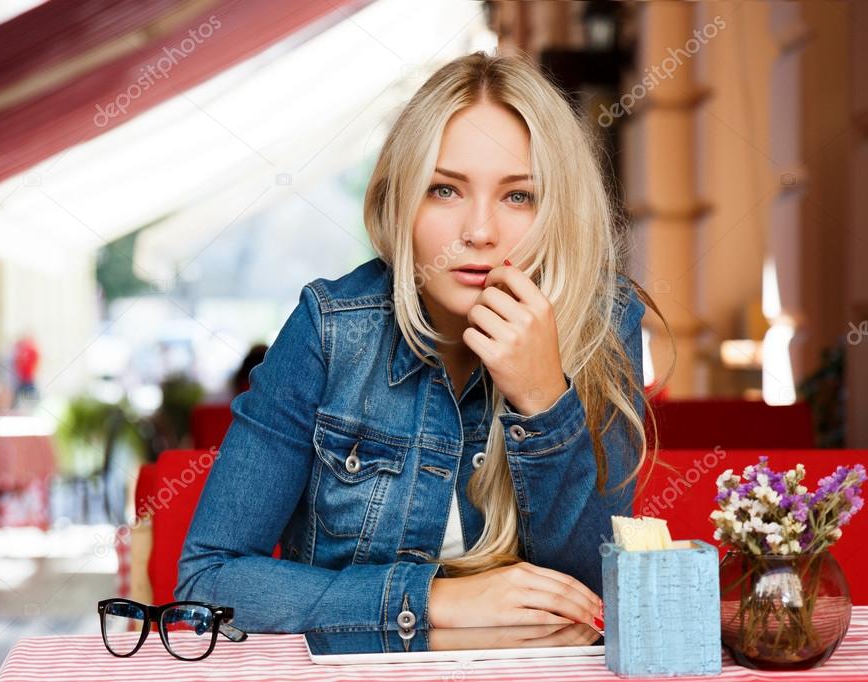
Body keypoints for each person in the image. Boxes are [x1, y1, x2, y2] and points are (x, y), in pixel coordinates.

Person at [176, 51, 668, 635]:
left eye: (518, 196)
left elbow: (600, 597)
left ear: (558, 210)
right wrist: (434, 602)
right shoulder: (332, 330)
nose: (479, 232)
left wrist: (544, 399)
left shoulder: (603, 325)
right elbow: (208, 580)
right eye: (444, 190)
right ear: (400, 199)